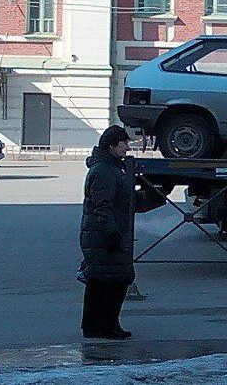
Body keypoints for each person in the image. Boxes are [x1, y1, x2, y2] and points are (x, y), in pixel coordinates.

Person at [79, 125, 165, 339]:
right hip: (104, 234)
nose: (127, 148)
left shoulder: (110, 168)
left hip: (102, 233)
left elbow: (127, 202)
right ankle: (106, 326)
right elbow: (103, 206)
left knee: (100, 280)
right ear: (111, 146)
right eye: (124, 144)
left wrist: (158, 195)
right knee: (115, 279)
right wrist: (111, 233)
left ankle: (95, 326)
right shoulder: (105, 171)